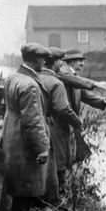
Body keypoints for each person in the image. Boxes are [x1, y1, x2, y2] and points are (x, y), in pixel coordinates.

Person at [2, 43, 51, 211]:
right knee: (25, 191)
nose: (45, 63)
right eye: (43, 60)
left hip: (12, 136)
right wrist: (42, 147)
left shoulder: (13, 77)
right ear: (37, 60)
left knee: (18, 190)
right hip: (24, 142)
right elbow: (33, 121)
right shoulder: (30, 85)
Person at [38, 47, 83, 199]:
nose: (61, 64)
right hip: (56, 125)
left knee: (44, 158)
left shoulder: (34, 77)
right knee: (60, 160)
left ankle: (43, 194)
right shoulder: (56, 82)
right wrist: (76, 121)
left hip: (38, 125)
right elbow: (62, 108)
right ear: (56, 62)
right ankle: (58, 196)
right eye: (60, 61)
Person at [55, 48, 106, 163]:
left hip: (71, 121)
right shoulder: (62, 72)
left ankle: (71, 176)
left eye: (83, 61)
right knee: (65, 155)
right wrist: (97, 84)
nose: (82, 64)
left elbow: (84, 95)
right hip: (61, 122)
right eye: (79, 61)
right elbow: (75, 80)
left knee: (78, 152)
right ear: (71, 62)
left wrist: (102, 101)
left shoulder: (74, 76)